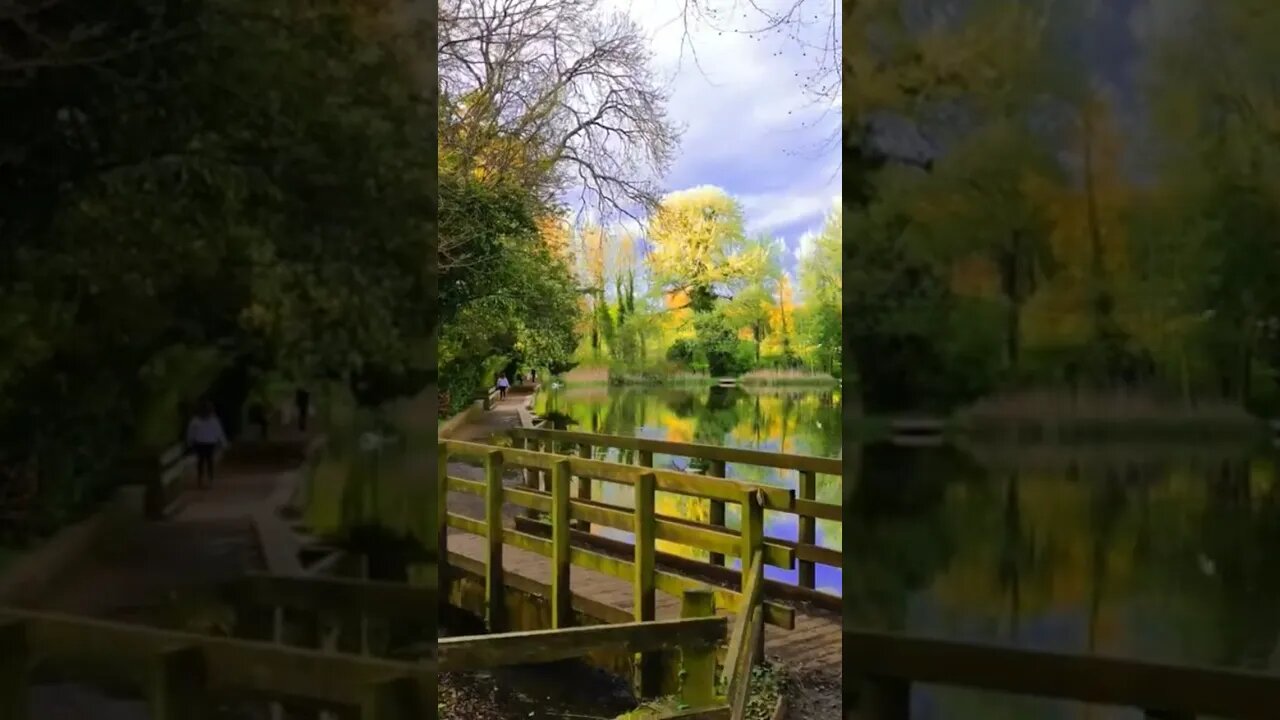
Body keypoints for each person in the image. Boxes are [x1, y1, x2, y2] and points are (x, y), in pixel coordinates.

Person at [186, 401, 227, 489]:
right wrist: (223, 443)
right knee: (208, 461)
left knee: (202, 461)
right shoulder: (212, 420)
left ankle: (202, 479)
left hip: (201, 443)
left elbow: (191, 433)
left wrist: (189, 442)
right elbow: (219, 432)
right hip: (208, 443)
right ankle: (208, 479)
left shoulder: (196, 420)